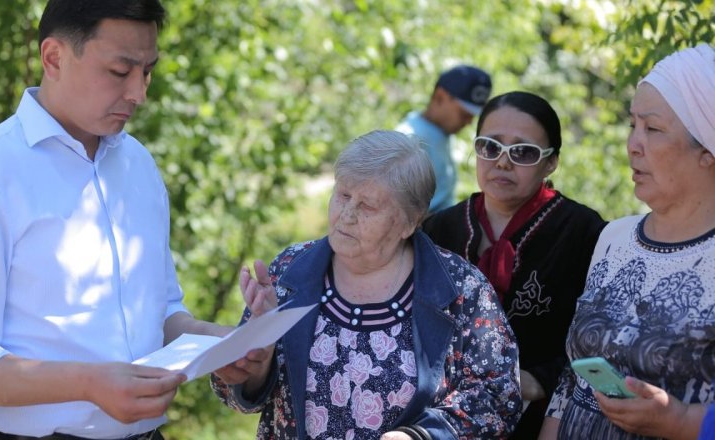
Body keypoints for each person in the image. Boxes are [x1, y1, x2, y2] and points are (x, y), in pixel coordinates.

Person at [0, 1, 233, 439]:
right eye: (120, 71)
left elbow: (161, 312)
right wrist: (87, 384)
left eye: (147, 71)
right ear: (54, 58)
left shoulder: (139, 165)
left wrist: (216, 342)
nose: (138, 93)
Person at [211, 130, 522, 439]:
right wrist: (254, 367)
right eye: (343, 195)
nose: (346, 214)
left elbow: (498, 399)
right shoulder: (289, 270)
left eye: (367, 206)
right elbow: (240, 396)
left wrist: (425, 436)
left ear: (409, 222)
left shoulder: (462, 290)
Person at [539, 43, 715, 439]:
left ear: (707, 149)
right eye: (632, 125)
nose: (633, 144)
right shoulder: (614, 237)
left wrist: (681, 421)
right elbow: (575, 376)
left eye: (652, 129)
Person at [421, 91, 606, 438]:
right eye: (490, 147)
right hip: (443, 415)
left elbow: (602, 338)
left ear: (551, 162)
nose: (502, 162)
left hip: (543, 418)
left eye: (522, 152)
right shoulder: (439, 229)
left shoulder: (584, 232)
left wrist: (541, 379)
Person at [396, 65, 492, 213]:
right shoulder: (410, 140)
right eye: (464, 114)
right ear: (440, 96)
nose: (469, 122)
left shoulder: (443, 133)